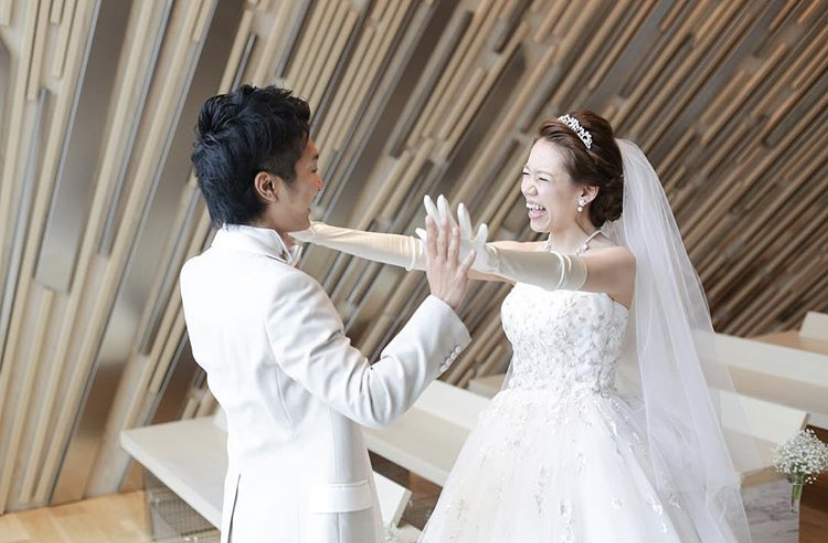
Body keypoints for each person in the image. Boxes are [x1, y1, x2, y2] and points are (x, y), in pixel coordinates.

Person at [291, 111, 756, 542]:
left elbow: (563, 273)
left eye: (543, 179)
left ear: (586, 192)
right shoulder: (527, 254)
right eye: (527, 174)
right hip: (512, 431)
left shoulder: (617, 263)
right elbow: (417, 254)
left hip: (592, 439)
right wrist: (316, 232)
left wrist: (490, 258)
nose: (528, 189)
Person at [179, 84, 476, 543]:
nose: (319, 184)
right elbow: (372, 400)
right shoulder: (284, 289)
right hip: (314, 522)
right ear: (267, 186)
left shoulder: (197, 273)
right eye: (312, 170)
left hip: (253, 510)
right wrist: (442, 302)